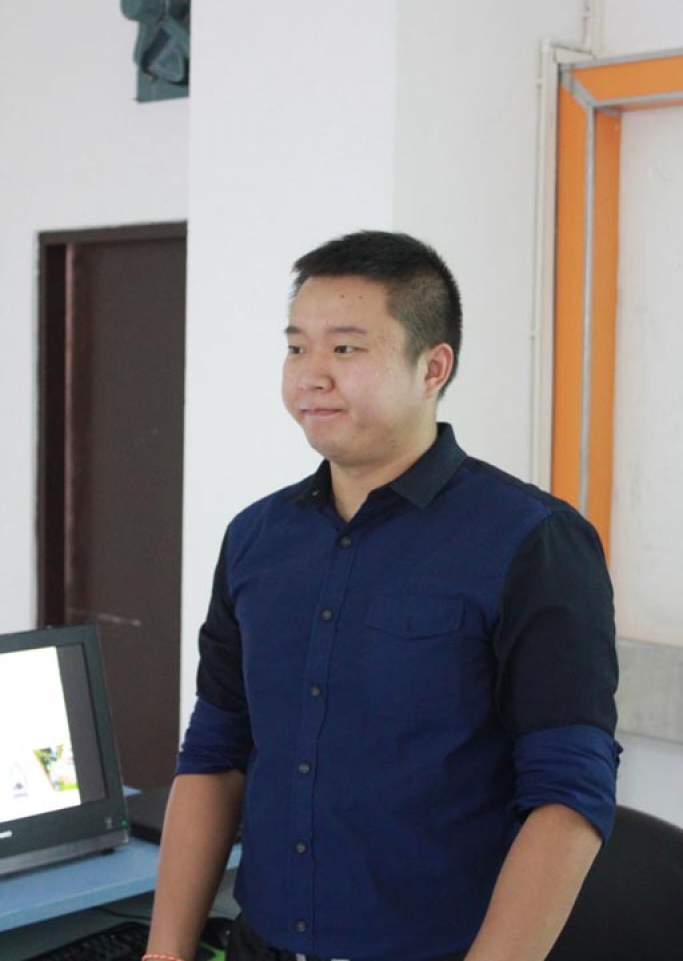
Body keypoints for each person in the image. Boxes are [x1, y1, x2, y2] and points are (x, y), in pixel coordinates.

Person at [145, 231, 620, 961]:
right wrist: (166, 951)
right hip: (257, 943)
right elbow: (216, 750)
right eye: (297, 348)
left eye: (345, 348)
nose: (311, 376)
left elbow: (568, 792)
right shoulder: (255, 539)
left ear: (432, 367)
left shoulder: (532, 541)